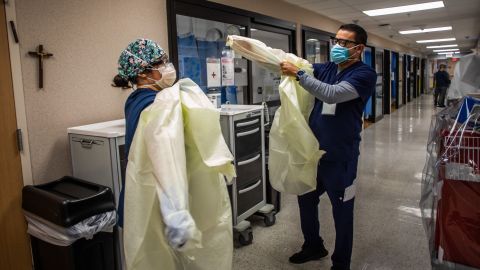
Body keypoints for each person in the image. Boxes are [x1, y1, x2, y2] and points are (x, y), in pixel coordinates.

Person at [280, 24, 377, 270]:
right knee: (306, 200)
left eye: (345, 43)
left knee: (342, 211)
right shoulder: (327, 68)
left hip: (341, 157)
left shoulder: (364, 74)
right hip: (315, 153)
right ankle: (314, 245)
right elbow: (295, 64)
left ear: (359, 48)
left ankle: (341, 263)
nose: (338, 46)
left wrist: (299, 75)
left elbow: (332, 94)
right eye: (336, 40)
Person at [112, 38, 176, 227]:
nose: (167, 67)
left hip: (142, 187)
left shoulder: (136, 99)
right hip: (155, 192)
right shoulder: (155, 103)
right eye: (159, 64)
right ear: (141, 74)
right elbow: (164, 156)